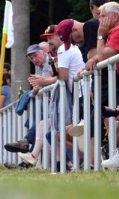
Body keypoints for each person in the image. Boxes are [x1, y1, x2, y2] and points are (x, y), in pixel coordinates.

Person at [19, 24, 85, 169]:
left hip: (79, 95)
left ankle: (82, 161)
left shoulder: (63, 50)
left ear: (60, 36)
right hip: (75, 95)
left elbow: (62, 78)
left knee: (64, 132)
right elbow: (61, 78)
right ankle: (60, 162)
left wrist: (44, 81)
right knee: (56, 132)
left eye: (51, 37)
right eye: (47, 38)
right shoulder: (64, 50)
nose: (48, 42)